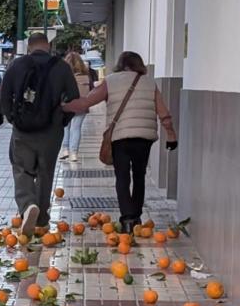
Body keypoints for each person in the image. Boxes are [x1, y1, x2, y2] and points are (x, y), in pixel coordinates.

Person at [63, 51, 177, 233]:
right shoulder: (149, 82)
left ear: (120, 64)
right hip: (144, 138)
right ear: (138, 64)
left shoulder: (111, 80)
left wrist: (62, 106)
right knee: (139, 176)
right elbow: (164, 113)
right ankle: (137, 217)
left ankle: (127, 220)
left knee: (122, 178)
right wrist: (171, 136)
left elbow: (86, 102)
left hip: (120, 138)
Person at [0, 32, 80, 236]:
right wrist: (61, 121)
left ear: (29, 47)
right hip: (51, 132)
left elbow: (4, 97)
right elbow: (74, 99)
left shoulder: (16, 66)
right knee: (45, 173)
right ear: (49, 46)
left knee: (21, 168)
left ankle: (27, 206)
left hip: (23, 130)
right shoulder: (62, 67)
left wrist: (13, 119)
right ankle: (42, 220)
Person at [59, 51, 93, 162]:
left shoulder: (64, 76)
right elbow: (91, 91)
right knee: (76, 128)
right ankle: (74, 153)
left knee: (66, 127)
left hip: (67, 105)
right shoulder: (86, 76)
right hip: (82, 105)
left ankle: (65, 150)